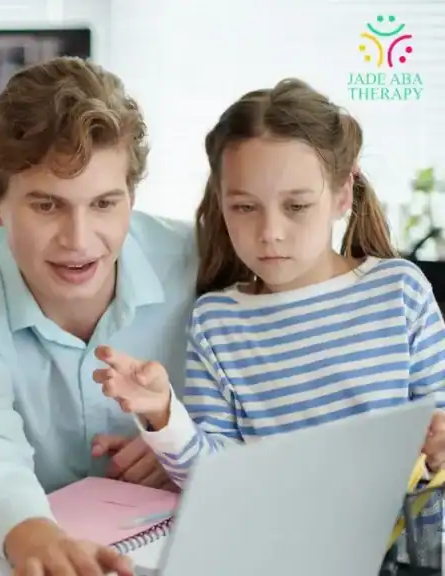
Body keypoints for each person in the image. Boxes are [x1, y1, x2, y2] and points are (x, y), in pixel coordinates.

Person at [0, 56, 195, 575]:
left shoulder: (200, 264)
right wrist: (30, 532)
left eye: (104, 204)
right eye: (48, 206)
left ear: (131, 198)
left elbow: (265, 405)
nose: (78, 239)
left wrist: (184, 442)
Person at [96, 78, 445, 484]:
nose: (270, 232)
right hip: (284, 544)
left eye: (296, 206)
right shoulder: (217, 322)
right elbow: (212, 476)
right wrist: (162, 412)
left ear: (342, 195)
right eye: (245, 207)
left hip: (410, 544)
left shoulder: (399, 291)